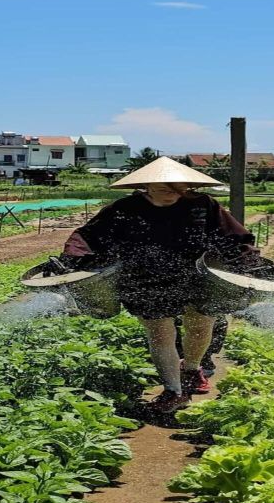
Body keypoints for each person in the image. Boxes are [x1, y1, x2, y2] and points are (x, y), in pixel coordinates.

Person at [56, 157, 261, 414]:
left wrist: (249, 262)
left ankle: (191, 369)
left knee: (199, 325)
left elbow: (234, 237)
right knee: (160, 332)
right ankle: (173, 390)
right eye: (165, 189)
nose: (173, 195)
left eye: (179, 189)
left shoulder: (203, 205)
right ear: (146, 187)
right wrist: (70, 261)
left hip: (196, 274)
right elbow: (87, 237)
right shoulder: (124, 209)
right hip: (144, 278)